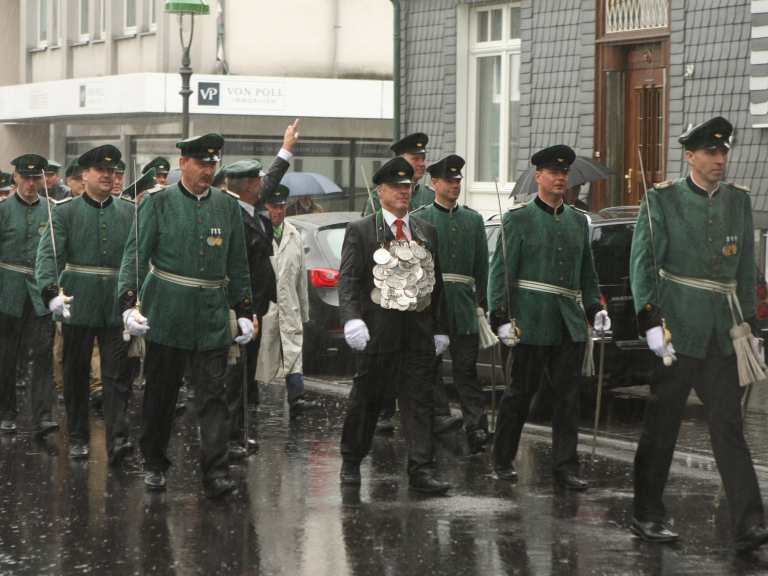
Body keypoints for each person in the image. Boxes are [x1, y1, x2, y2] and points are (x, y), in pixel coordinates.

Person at [628, 116, 768, 552]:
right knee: (662, 425)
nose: (719, 159)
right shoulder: (662, 201)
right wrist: (650, 319)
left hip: (722, 334)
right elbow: (644, 264)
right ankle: (646, 513)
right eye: (711, 152)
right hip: (678, 330)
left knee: (728, 426)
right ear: (690, 155)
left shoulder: (738, 202)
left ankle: (750, 521)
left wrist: (751, 325)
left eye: (724, 151)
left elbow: (745, 269)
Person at [118, 133, 255, 499]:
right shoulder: (158, 203)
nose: (208, 170)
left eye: (212, 164)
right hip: (167, 314)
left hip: (210, 316)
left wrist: (244, 310)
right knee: (161, 396)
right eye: (201, 163)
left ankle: (216, 472)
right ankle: (155, 462)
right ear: (183, 164)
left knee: (214, 398)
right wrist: (129, 304)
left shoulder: (227, 208)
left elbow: (238, 263)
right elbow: (135, 255)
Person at [489, 144, 609, 491]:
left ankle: (566, 466)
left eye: (564, 173)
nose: (560, 178)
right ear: (538, 177)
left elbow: (587, 273)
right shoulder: (518, 219)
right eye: (553, 173)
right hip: (530, 320)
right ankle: (502, 458)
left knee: (568, 398)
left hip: (568, 323)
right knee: (520, 394)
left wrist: (594, 309)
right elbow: (501, 274)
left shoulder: (577, 221)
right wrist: (500, 316)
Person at [338, 156, 451, 495]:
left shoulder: (424, 231)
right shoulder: (362, 230)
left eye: (409, 187)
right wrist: (352, 319)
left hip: (416, 332)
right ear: (381, 190)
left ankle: (421, 468)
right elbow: (349, 279)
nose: (404, 192)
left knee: (419, 402)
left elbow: (437, 283)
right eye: (397, 187)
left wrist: (440, 327)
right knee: (367, 400)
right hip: (378, 331)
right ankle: (352, 460)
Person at [35, 145, 135, 463]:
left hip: (117, 304)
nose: (108, 176)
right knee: (76, 372)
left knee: (116, 376)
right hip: (77, 303)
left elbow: (137, 258)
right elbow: (49, 255)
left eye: (113, 172)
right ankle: (78, 435)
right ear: (85, 175)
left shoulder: (130, 212)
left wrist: (137, 299)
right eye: (101, 171)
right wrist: (51, 292)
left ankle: (118, 438)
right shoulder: (65, 212)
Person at [223, 119, 299, 458]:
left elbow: (271, 181)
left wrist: (287, 148)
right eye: (255, 182)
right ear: (242, 186)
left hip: (255, 304)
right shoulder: (229, 214)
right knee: (234, 373)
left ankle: (239, 432)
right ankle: (229, 435)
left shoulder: (252, 210)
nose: (261, 187)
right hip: (238, 304)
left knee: (246, 374)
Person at [412, 154, 490, 453]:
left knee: (466, 369)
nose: (455, 185)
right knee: (429, 367)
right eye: (449, 180)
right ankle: (433, 418)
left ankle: (476, 425)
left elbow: (482, 265)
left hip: (464, 305)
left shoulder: (473, 220)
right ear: (435, 184)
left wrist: (480, 302)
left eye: (458, 180)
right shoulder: (421, 219)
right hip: (433, 304)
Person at [0, 154, 58, 437]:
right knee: (6, 356)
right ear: (16, 179)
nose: (31, 183)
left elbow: (58, 254)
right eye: (26, 177)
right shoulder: (3, 210)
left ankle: (44, 415)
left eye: (36, 178)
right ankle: (6, 411)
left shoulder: (51, 210)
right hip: (7, 291)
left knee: (44, 354)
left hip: (40, 292)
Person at [256, 183, 319, 416]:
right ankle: (252, 400)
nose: (278, 211)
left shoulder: (294, 235)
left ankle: (297, 397)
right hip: (266, 307)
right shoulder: (258, 233)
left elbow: (301, 278)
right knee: (261, 352)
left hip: (289, 305)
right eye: (274, 206)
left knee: (293, 351)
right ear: (265, 207)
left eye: (282, 207)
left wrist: (304, 311)